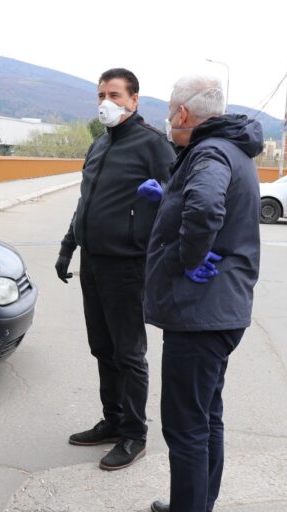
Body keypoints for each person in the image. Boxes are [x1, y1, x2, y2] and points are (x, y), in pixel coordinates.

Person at [142, 74, 263, 512]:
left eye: (171, 113)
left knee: (186, 425)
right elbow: (207, 203)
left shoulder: (209, 150)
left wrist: (191, 259)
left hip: (200, 313)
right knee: (207, 416)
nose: (170, 120)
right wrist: (168, 195)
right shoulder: (232, 148)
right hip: (220, 311)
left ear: (183, 113)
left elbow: (208, 206)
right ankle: (198, 504)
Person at [56, 68, 175, 471]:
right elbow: (84, 201)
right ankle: (113, 419)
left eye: (115, 94)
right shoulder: (99, 144)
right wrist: (67, 247)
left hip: (128, 264)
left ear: (134, 100)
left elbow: (177, 197)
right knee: (101, 348)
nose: (106, 101)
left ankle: (134, 433)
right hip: (93, 261)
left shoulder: (153, 144)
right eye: (101, 94)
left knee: (128, 353)